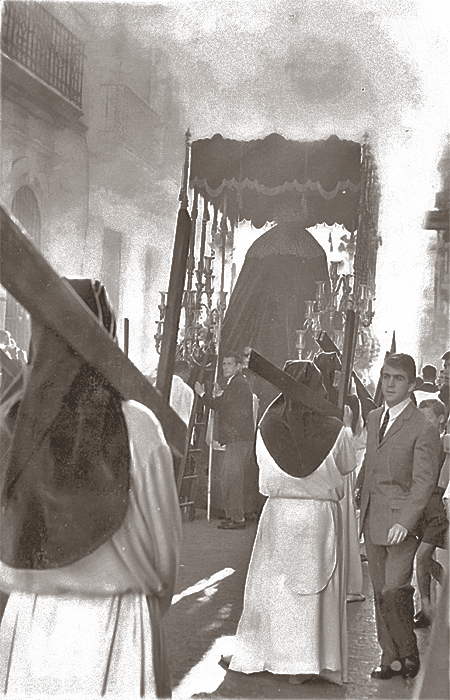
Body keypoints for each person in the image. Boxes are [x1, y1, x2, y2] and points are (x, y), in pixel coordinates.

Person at [0, 279, 182, 698]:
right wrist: (154, 607)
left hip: (31, 624)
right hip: (120, 623)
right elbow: (165, 548)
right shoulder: (138, 426)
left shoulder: (12, 425)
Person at [223, 360, 356, 685]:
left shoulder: (267, 425)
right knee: (310, 590)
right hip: (317, 517)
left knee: (273, 588)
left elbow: (259, 465)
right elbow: (348, 464)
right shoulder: (335, 429)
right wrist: (346, 425)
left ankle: (266, 653)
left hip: (279, 514)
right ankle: (305, 662)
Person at [355, 353, 442, 681]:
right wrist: (358, 502)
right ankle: (389, 657)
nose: (389, 383)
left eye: (398, 378)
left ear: (411, 384)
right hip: (372, 519)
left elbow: (423, 484)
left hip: (402, 526)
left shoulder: (423, 427)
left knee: (395, 590)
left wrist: (404, 522)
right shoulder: (375, 417)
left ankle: (408, 651)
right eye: (386, 376)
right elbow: (370, 463)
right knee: (380, 594)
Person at [195, 351, 254, 529]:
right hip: (238, 439)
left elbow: (222, 406)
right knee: (229, 478)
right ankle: (233, 516)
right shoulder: (236, 383)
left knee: (232, 479)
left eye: (229, 364)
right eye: (224, 364)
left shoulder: (238, 383)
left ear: (238, 366)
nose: (225, 367)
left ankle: (237, 519)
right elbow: (227, 403)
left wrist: (203, 394)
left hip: (238, 440)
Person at [414, 399, 447, 629]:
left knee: (423, 556)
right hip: (424, 505)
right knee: (425, 557)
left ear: (441, 419)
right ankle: (428, 607)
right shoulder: (422, 441)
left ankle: (427, 606)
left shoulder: (444, 440)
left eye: (428, 418)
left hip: (439, 506)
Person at [170, 359, 194, 426]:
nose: (189, 377)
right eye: (188, 373)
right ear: (183, 372)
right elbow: (186, 417)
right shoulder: (188, 391)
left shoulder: (162, 385)